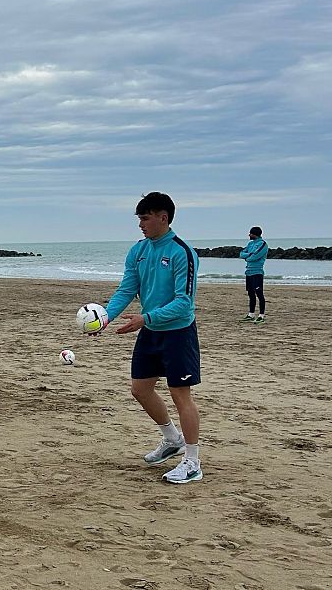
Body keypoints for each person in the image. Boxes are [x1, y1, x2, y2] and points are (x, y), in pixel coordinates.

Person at [101, 192, 202, 484]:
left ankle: (193, 462)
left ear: (163, 217)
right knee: (140, 389)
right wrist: (106, 317)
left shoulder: (182, 252)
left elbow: (185, 302)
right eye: (139, 219)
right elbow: (127, 289)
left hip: (177, 333)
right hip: (151, 331)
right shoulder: (138, 250)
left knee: (180, 395)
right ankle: (172, 439)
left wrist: (146, 318)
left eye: (145, 218)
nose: (141, 225)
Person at [239, 226, 268, 323]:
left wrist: (248, 257)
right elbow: (241, 254)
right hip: (249, 272)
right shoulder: (250, 244)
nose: (249, 235)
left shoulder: (263, 244)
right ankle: (251, 314)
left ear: (254, 234)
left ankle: (261, 315)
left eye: (250, 233)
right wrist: (249, 255)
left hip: (257, 272)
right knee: (250, 293)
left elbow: (255, 257)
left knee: (259, 294)